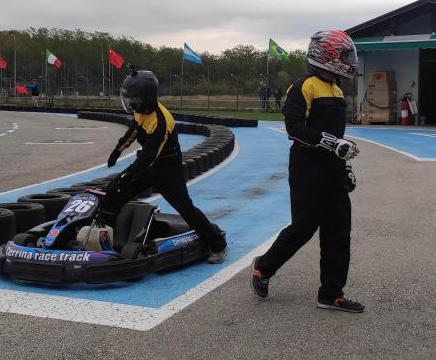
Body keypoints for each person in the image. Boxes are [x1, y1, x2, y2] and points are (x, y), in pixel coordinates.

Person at [250, 29, 364, 313]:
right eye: (344, 55)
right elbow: (294, 128)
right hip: (308, 169)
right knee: (303, 228)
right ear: (326, 55)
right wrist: (331, 143)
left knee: (339, 233)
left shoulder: (336, 89)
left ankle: (331, 294)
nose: (348, 61)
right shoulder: (303, 86)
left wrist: (345, 165)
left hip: (333, 172)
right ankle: (263, 267)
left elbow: (337, 135)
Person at [100, 68, 230, 263]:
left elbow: (149, 158)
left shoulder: (162, 121)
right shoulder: (141, 111)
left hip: (167, 169)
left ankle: (218, 244)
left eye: (134, 98)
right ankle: (109, 242)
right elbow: (132, 132)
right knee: (113, 194)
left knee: (186, 209)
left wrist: (124, 178)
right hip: (148, 164)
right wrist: (116, 152)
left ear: (147, 97)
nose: (131, 102)